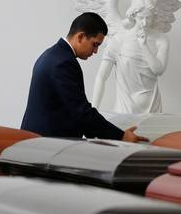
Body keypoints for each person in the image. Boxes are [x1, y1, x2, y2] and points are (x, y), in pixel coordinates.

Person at [20, 12, 147, 141]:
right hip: (46, 146)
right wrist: (121, 136)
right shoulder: (64, 63)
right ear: (80, 37)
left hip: (38, 141)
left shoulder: (51, 55)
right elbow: (81, 112)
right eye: (95, 44)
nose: (96, 51)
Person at [92, 0, 169, 114]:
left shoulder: (161, 39)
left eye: (148, 18)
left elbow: (158, 70)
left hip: (153, 107)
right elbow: (101, 77)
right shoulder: (119, 39)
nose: (145, 23)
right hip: (125, 108)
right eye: (141, 18)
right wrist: (93, 112)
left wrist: (144, 46)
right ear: (133, 16)